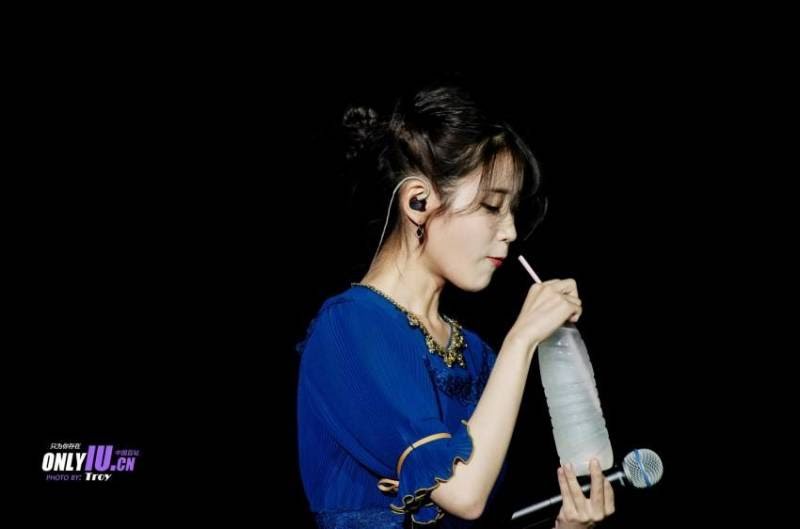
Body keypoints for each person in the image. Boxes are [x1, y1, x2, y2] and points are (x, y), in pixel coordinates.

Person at [296, 82, 615, 528]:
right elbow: (463, 493)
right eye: (491, 205)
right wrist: (522, 339)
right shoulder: (349, 328)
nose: (510, 231)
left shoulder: (477, 354)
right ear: (419, 201)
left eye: (512, 210)